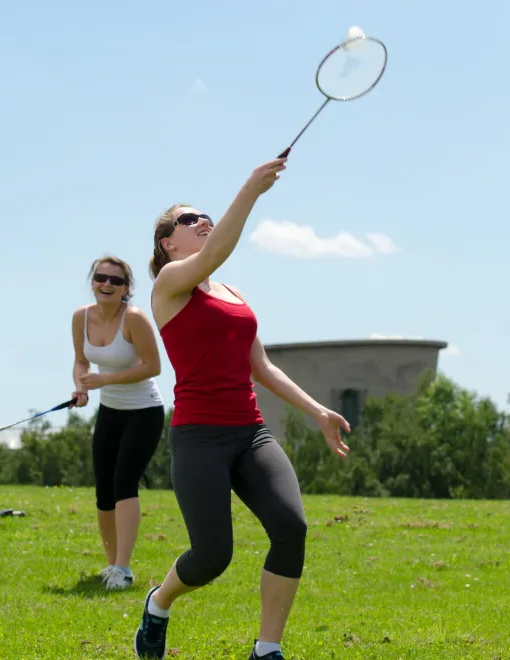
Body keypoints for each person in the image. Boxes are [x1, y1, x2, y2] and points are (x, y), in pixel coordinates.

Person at [132, 158, 351, 660]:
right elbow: (218, 251)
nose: (201, 221)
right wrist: (251, 189)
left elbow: (263, 366)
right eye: (189, 220)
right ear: (167, 243)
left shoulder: (233, 294)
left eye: (205, 215)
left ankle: (266, 649)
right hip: (199, 437)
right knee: (212, 557)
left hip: (250, 433)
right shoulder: (169, 286)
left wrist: (317, 410)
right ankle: (159, 603)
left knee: (291, 529)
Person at [70, 255, 166, 591]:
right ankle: (111, 565)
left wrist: (104, 381)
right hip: (109, 412)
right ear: (92, 281)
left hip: (144, 411)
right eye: (101, 278)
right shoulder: (80, 318)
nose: (107, 284)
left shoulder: (135, 319)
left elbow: (153, 367)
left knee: (125, 482)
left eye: (116, 281)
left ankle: (124, 569)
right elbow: (81, 362)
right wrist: (82, 388)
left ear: (127, 289)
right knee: (103, 489)